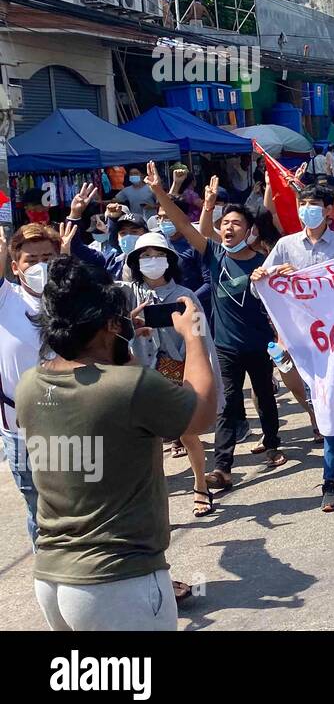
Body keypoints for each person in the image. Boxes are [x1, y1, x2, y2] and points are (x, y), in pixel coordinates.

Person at [17, 258, 217, 631]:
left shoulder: (30, 385)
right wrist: (193, 337)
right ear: (110, 323)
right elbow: (203, 414)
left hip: (53, 578)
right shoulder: (132, 387)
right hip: (118, 581)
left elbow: (101, 389)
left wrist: (118, 344)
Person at [146, 166, 298, 493]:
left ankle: (272, 444)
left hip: (259, 344)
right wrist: (160, 192)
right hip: (225, 345)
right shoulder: (214, 254)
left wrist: (281, 273)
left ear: (250, 231)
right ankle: (222, 467)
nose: (228, 228)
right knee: (228, 403)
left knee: (266, 396)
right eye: (225, 223)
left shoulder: (262, 261)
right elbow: (184, 225)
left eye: (236, 224)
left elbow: (287, 290)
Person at [253, 184, 334, 508]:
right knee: (323, 402)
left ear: (328, 210)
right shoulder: (285, 246)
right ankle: (331, 476)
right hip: (299, 341)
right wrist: (264, 276)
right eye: (303, 203)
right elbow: (262, 290)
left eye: (314, 204)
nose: (307, 209)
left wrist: (307, 278)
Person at [120, 231, 222, 518]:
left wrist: (204, 375)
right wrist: (130, 322)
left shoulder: (185, 296)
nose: (152, 261)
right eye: (145, 256)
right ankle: (154, 504)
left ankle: (201, 485)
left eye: (158, 255)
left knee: (188, 433)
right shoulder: (128, 294)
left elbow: (202, 337)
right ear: (135, 262)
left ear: (170, 260)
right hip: (141, 376)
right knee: (147, 442)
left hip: (178, 372)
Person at [0, 224, 61, 545]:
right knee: (40, 512)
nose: (40, 266)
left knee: (84, 504)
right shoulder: (5, 299)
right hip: (21, 433)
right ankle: (51, 586)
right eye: (30, 259)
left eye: (48, 258)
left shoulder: (74, 301)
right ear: (14, 266)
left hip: (75, 426)